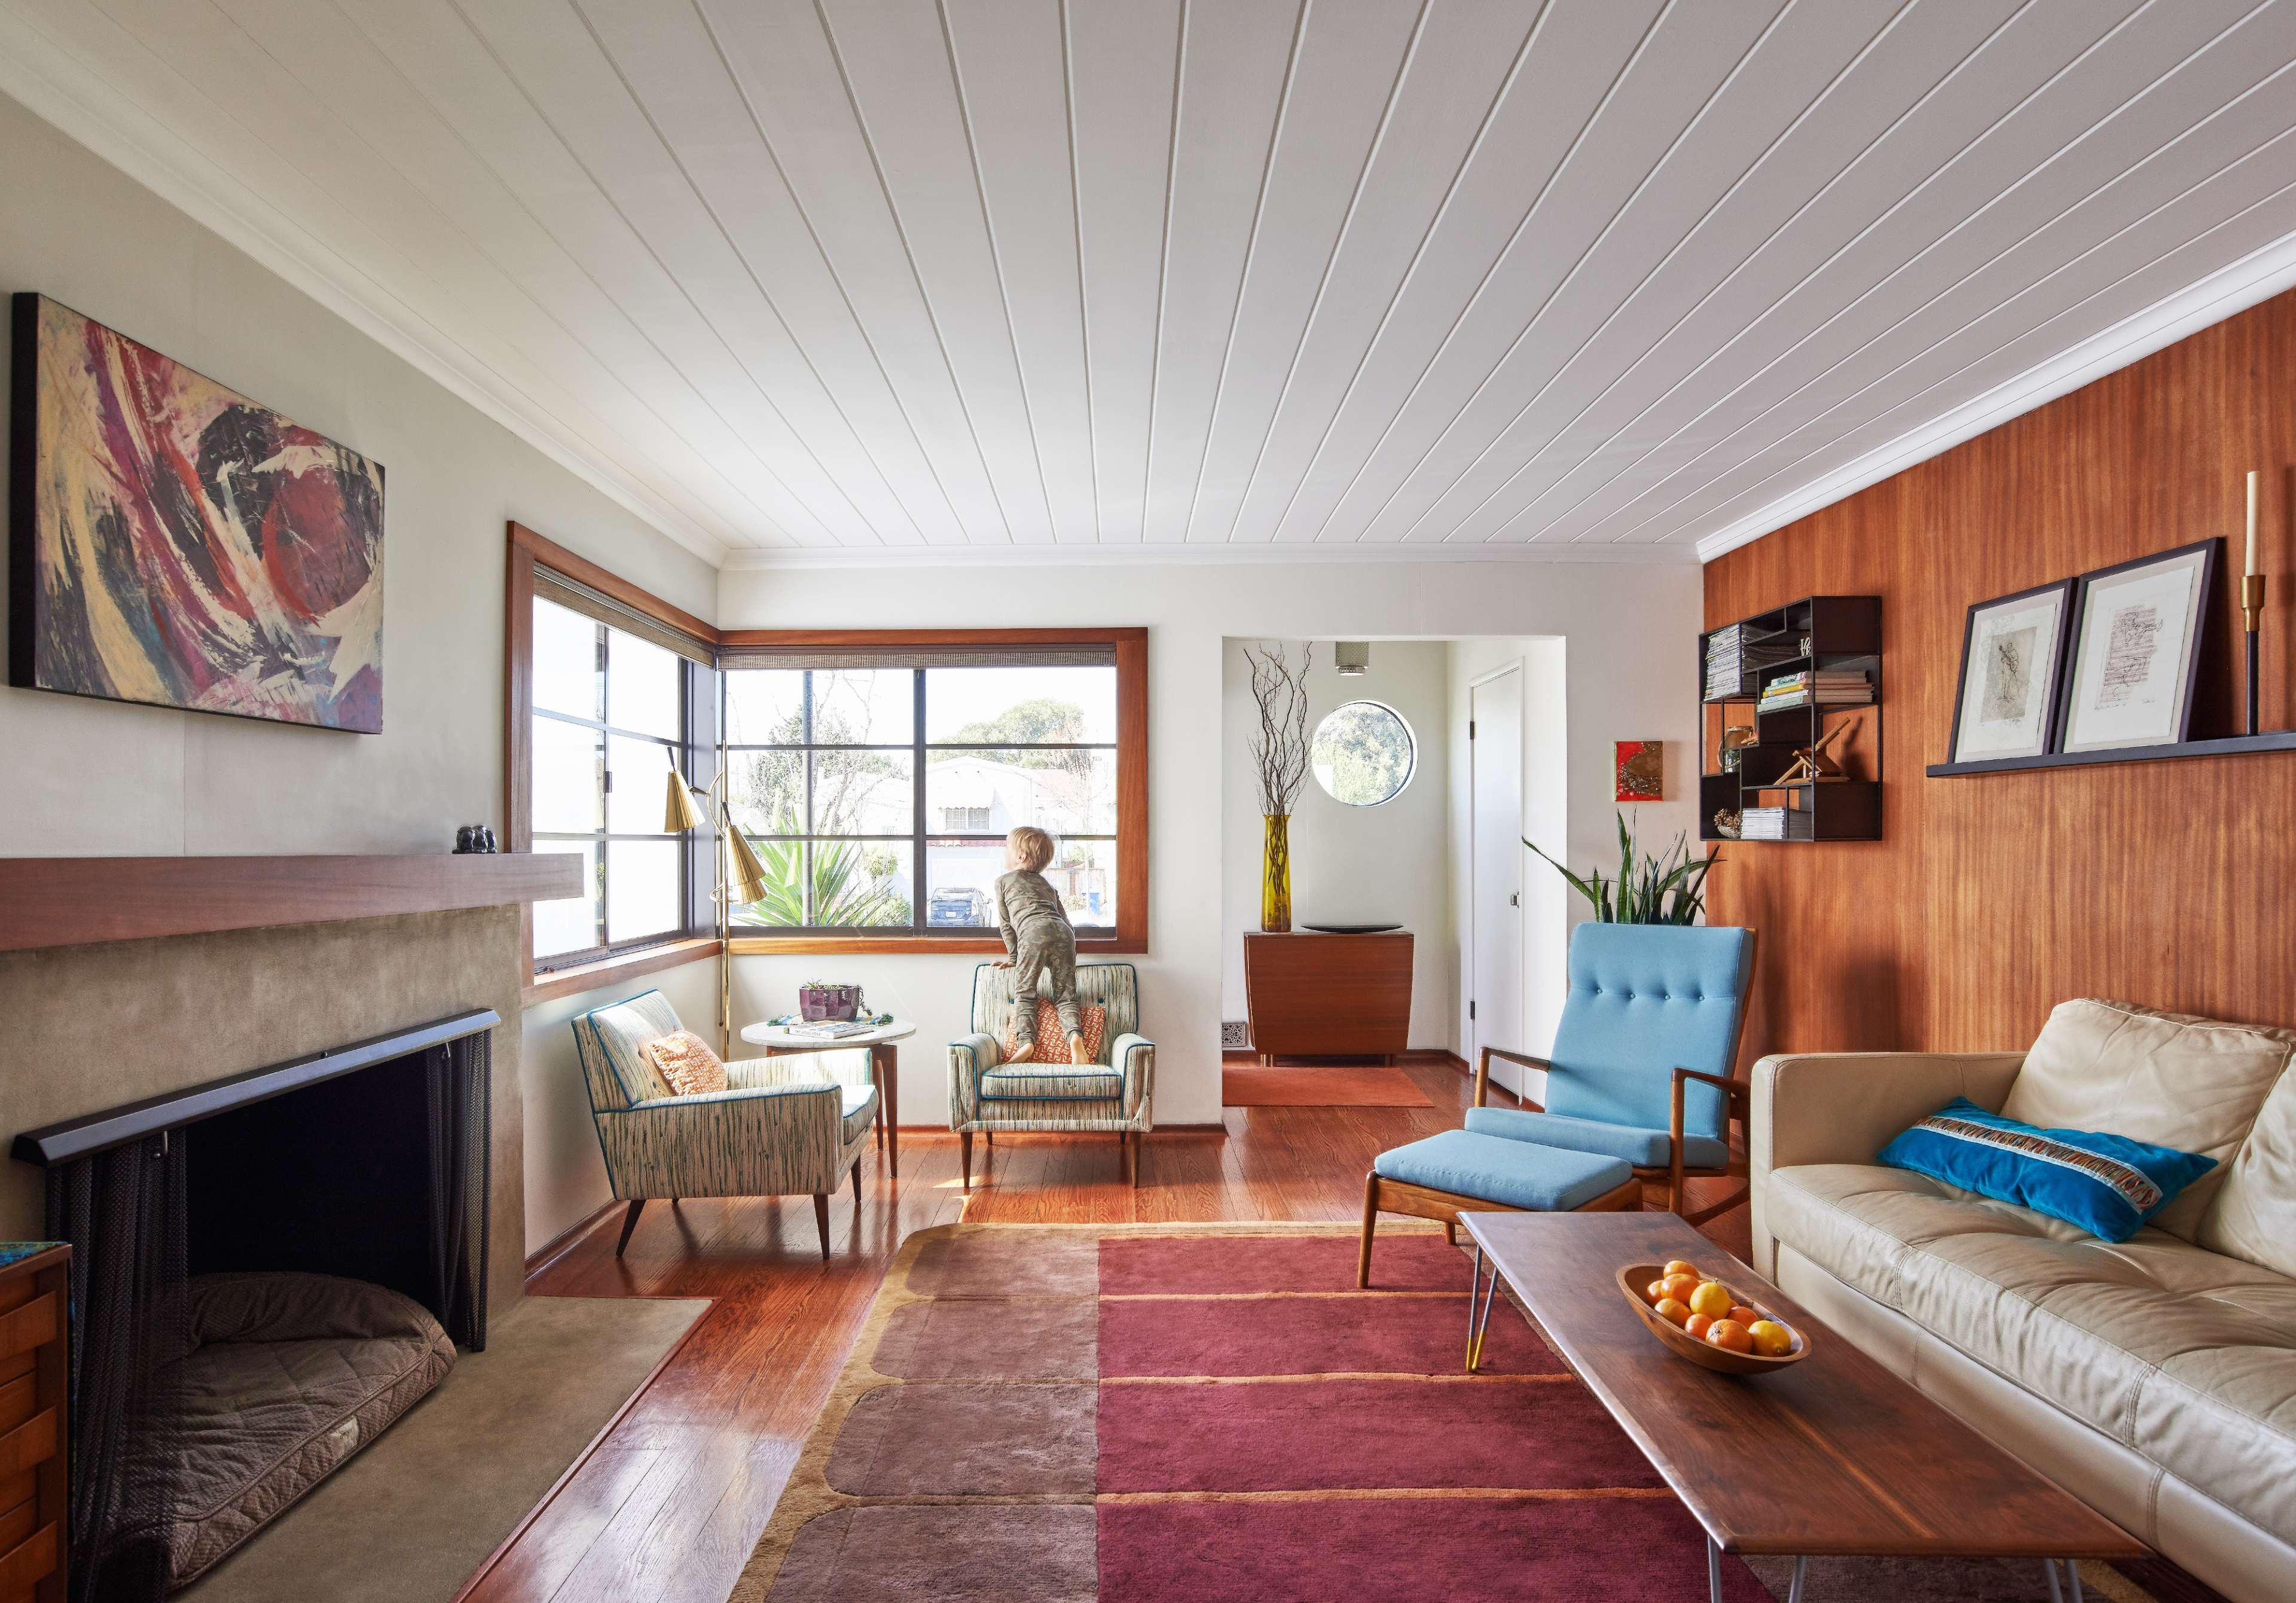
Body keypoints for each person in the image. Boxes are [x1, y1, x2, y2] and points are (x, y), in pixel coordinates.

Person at [992, 825, 1086, 1064]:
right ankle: (1075, 1038)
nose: (1005, 851)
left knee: (1025, 994)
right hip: (1064, 934)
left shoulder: (1003, 882)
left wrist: (1014, 957)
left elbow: (1006, 925)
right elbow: (1066, 922)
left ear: (1021, 856)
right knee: (1066, 997)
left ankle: (1026, 1043)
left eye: (1007, 847)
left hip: (1033, 932)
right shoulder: (1048, 886)